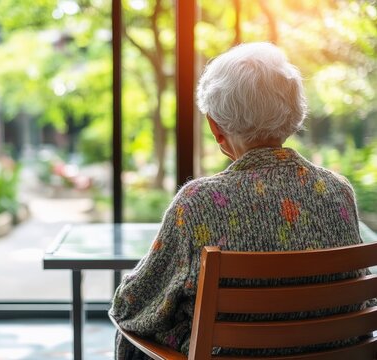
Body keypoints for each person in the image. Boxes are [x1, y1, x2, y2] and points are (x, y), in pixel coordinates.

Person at [109, 42, 374, 359]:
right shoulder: (338, 191)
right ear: (294, 112)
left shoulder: (198, 203)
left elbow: (132, 305)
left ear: (215, 128)